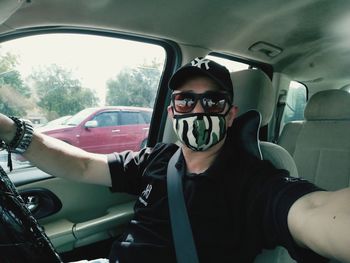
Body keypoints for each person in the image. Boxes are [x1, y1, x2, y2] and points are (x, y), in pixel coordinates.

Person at [0, 57, 349, 263]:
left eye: (213, 102)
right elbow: (80, 165)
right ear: (171, 112)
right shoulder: (156, 159)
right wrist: (12, 131)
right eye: (186, 101)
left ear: (230, 115)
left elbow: (315, 210)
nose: (198, 110)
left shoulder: (255, 180)